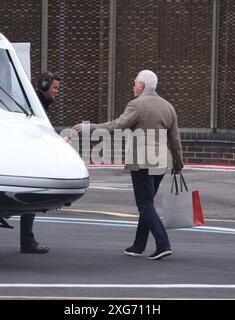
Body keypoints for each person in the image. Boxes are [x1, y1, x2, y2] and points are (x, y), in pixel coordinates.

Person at [73, 70, 183, 260]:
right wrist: (178, 163)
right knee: (147, 203)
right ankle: (138, 246)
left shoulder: (136, 105)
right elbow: (175, 139)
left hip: (142, 161)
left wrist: (88, 127)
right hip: (161, 163)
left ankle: (163, 243)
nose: (133, 86)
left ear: (141, 85)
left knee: (145, 204)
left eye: (134, 83)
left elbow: (116, 126)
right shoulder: (168, 107)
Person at [19, 71, 60, 254]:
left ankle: (27, 240)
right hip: (28, 159)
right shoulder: (37, 106)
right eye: (54, 88)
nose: (56, 92)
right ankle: (27, 241)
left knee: (31, 199)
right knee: (31, 198)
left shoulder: (39, 103)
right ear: (44, 86)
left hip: (30, 157)